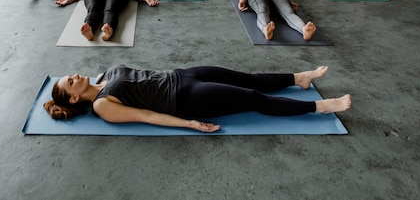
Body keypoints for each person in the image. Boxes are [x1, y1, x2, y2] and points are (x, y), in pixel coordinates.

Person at [43, 64, 351, 132]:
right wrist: (190, 124)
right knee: (252, 97)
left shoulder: (102, 78)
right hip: (185, 97)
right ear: (73, 100)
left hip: (183, 74)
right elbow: (147, 116)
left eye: (71, 75)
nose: (74, 75)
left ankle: (300, 78)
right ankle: (322, 107)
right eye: (70, 82)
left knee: (249, 77)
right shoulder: (101, 105)